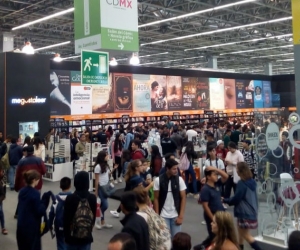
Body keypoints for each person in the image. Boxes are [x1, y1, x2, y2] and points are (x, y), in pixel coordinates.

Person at [223, 162, 261, 250]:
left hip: (244, 213)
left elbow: (236, 199)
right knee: (241, 236)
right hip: (252, 211)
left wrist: (225, 200)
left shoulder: (242, 183)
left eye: (237, 170)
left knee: (246, 236)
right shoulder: (252, 182)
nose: (236, 171)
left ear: (240, 171)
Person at [16, 170, 52, 250]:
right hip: (31, 228)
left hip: (21, 226)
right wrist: (44, 202)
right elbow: (39, 211)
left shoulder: (22, 191)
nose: (39, 181)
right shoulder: (35, 193)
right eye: (38, 179)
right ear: (34, 180)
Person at [154, 158, 186, 238]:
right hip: (163, 216)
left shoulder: (179, 180)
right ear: (167, 169)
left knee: (176, 240)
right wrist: (157, 217)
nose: (176, 171)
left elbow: (183, 198)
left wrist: (181, 216)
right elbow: (156, 198)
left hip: (175, 215)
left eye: (177, 168)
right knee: (165, 240)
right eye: (174, 169)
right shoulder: (158, 180)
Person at [64, 171, 97, 250]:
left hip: (72, 238)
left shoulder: (70, 198)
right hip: (86, 237)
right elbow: (93, 217)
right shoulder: (92, 198)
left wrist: (66, 236)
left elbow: (66, 219)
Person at [199, 167, 228, 248]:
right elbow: (205, 206)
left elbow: (226, 176)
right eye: (214, 175)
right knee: (214, 236)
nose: (216, 176)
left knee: (221, 235)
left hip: (221, 214)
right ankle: (204, 246)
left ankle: (202, 246)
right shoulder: (205, 189)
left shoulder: (217, 184)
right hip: (213, 214)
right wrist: (213, 218)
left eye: (216, 175)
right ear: (208, 177)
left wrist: (215, 169)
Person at [49, 177, 72, 250]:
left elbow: (51, 212)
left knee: (60, 244)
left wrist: (50, 225)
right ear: (70, 186)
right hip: (71, 225)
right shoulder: (73, 197)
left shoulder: (56, 198)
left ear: (60, 186)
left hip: (59, 225)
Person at [94, 151, 113, 229]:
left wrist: (114, 169)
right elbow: (97, 179)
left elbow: (107, 174)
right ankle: (96, 219)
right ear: (102, 157)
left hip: (106, 186)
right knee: (105, 205)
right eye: (106, 155)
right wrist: (96, 191)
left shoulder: (106, 165)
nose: (108, 156)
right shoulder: (97, 167)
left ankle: (102, 222)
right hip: (101, 187)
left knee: (102, 205)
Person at [0, 163, 7, 235]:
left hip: (0, 192)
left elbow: (4, 183)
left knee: (0, 211)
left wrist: (3, 196)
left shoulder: (3, 171)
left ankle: (3, 227)